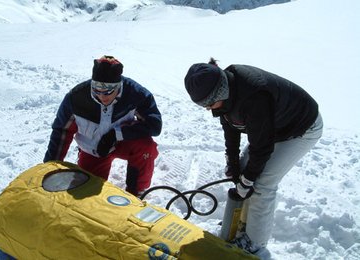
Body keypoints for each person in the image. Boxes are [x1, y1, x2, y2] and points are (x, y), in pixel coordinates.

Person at [184, 58, 323, 257]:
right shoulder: (224, 91)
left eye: (209, 104)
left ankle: (255, 243)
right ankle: (239, 224)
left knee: (262, 184)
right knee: (244, 171)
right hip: (275, 126)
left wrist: (248, 180)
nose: (208, 109)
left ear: (220, 92)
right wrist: (232, 164)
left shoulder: (254, 96)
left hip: (302, 127)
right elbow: (230, 128)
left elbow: (262, 147)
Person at [44, 55, 162, 196]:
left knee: (146, 147)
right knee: (86, 191)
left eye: (108, 90)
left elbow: (154, 125)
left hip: (123, 143)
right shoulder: (76, 98)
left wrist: (117, 134)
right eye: (97, 89)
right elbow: (61, 132)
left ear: (119, 86)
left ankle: (137, 192)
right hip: (94, 150)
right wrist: (48, 169)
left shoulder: (135, 94)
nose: (102, 95)